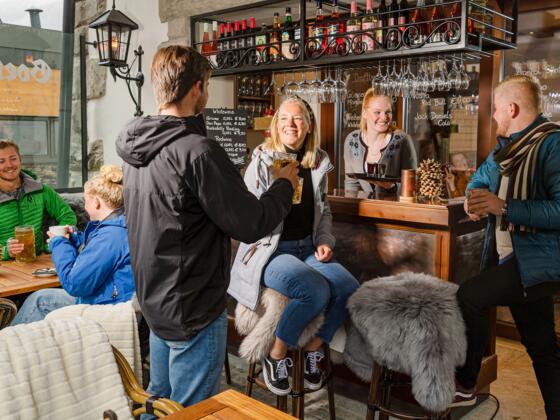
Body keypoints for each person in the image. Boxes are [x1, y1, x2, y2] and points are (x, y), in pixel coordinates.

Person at [115, 45, 298, 412]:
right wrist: (283, 185)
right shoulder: (198, 151)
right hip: (193, 307)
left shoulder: (136, 147)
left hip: (155, 301)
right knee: (191, 411)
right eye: (208, 85)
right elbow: (250, 223)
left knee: (157, 402)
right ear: (197, 87)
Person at [229, 96, 360, 396]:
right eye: (285, 118)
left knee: (348, 288)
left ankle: (315, 347)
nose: (291, 124)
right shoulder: (262, 162)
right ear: (276, 125)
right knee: (315, 290)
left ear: (308, 125)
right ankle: (277, 353)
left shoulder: (317, 161)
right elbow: (251, 218)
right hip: (270, 252)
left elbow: (324, 210)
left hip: (307, 248)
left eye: (298, 118)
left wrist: (324, 241)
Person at [453, 74, 560, 418]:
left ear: (511, 109)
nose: (494, 115)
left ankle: (465, 384)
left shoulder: (553, 144)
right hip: (513, 261)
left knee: (469, 296)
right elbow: (479, 181)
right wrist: (473, 200)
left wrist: (504, 207)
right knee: (542, 349)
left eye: (496, 109)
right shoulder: (506, 147)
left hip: (536, 262)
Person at [10, 165, 135, 325]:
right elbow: (101, 251)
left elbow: (74, 284)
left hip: (108, 308)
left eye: (86, 200)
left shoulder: (110, 236)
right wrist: (75, 239)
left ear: (96, 202)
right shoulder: (120, 225)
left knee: (39, 302)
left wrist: (59, 243)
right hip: (113, 295)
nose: (85, 205)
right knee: (40, 297)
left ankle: (8, 340)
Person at [0, 140, 76, 261]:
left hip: (38, 260)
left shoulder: (41, 190)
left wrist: (53, 242)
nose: (9, 165)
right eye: (1, 161)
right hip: (4, 265)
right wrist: (6, 251)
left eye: (13, 159)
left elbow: (67, 215)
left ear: (20, 160)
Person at [344, 90, 417, 197]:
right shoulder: (352, 140)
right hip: (363, 206)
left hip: (393, 207)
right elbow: (352, 184)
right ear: (364, 113)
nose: (384, 117)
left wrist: (392, 187)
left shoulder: (402, 141)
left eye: (388, 112)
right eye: (377, 112)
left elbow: (413, 185)